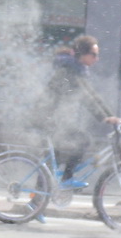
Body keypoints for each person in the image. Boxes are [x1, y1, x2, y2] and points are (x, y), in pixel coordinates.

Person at [44, 34, 113, 186]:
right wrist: (103, 117)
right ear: (83, 54)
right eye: (94, 55)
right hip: (51, 118)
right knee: (82, 140)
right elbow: (85, 97)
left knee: (54, 158)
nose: (97, 59)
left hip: (56, 119)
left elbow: (93, 95)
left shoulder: (78, 69)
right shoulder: (70, 70)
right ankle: (66, 179)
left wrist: (111, 116)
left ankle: (38, 200)